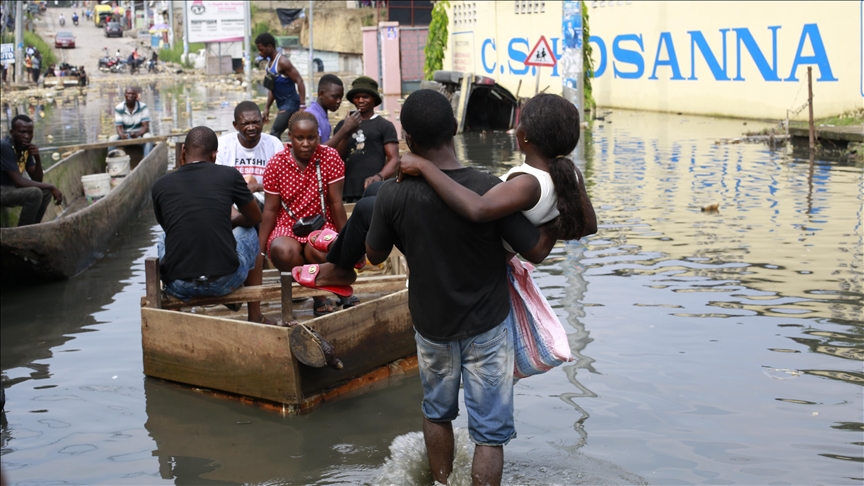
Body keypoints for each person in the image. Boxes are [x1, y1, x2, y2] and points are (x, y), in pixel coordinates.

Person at [364, 90, 558, 486]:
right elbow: (533, 249)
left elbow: (374, 254)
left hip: (432, 325)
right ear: (454, 129)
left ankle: (440, 481)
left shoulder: (392, 194)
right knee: (489, 434)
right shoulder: (488, 188)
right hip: (487, 325)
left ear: (407, 139)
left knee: (437, 412)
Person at [151, 126, 263, 315]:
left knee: (165, 236)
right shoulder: (229, 175)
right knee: (251, 231)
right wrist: (231, 223)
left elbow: (167, 225)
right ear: (214, 156)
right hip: (226, 281)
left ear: (183, 153)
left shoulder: (160, 185)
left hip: (179, 285)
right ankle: (255, 314)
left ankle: (174, 312)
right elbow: (255, 217)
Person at [258, 111, 349, 316]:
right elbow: (271, 210)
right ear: (290, 137)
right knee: (283, 250)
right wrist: (260, 248)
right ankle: (316, 292)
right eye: (300, 138)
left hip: (320, 223)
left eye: (311, 138)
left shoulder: (329, 157)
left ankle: (323, 292)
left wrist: (346, 241)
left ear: (318, 136)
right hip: (288, 225)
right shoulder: (276, 163)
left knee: (320, 249)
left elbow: (336, 203)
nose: (306, 143)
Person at [215, 101, 285, 323]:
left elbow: (285, 180)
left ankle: (237, 292)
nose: (252, 127)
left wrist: (259, 186)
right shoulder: (224, 145)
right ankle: (252, 309)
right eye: (246, 123)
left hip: (265, 204)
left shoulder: (273, 144)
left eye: (256, 122)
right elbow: (216, 183)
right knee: (243, 228)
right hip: (231, 206)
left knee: (250, 225)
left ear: (264, 121)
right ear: (236, 124)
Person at [333, 76, 399, 202]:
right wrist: (346, 131)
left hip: (374, 191)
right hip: (347, 192)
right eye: (357, 97)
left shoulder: (384, 125)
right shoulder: (343, 126)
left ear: (374, 99)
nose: (360, 100)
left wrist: (379, 177)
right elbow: (337, 158)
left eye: (365, 97)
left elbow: (394, 160)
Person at [1, 115, 63, 226]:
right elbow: (19, 181)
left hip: (11, 188)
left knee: (45, 192)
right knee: (35, 193)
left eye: (30, 132)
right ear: (12, 132)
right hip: (2, 189)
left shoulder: (25, 147)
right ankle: (22, 232)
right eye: (22, 132)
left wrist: (37, 158)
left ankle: (32, 227)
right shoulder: (6, 147)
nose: (27, 136)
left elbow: (37, 179)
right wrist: (51, 186)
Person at [254, 32, 306, 141]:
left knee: (274, 133)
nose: (260, 53)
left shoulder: (283, 62)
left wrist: (302, 106)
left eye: (261, 49)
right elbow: (272, 89)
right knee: (288, 135)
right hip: (282, 105)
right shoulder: (269, 65)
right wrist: (267, 108)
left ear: (269, 47)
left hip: (291, 104)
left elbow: (300, 81)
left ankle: (277, 158)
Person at [305, 74, 362, 148]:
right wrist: (345, 128)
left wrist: (347, 133)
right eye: (335, 97)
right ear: (321, 94)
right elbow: (317, 151)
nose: (339, 101)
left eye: (340, 98)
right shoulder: (310, 115)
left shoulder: (322, 114)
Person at [110, 86, 153, 156]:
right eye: (128, 94)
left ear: (136, 96)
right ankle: (111, 163)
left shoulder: (143, 107)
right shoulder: (119, 108)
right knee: (112, 139)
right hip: (125, 135)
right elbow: (119, 127)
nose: (130, 96)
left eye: (133, 94)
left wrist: (137, 134)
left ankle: (146, 161)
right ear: (125, 95)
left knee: (148, 137)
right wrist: (122, 135)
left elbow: (145, 127)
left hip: (140, 135)